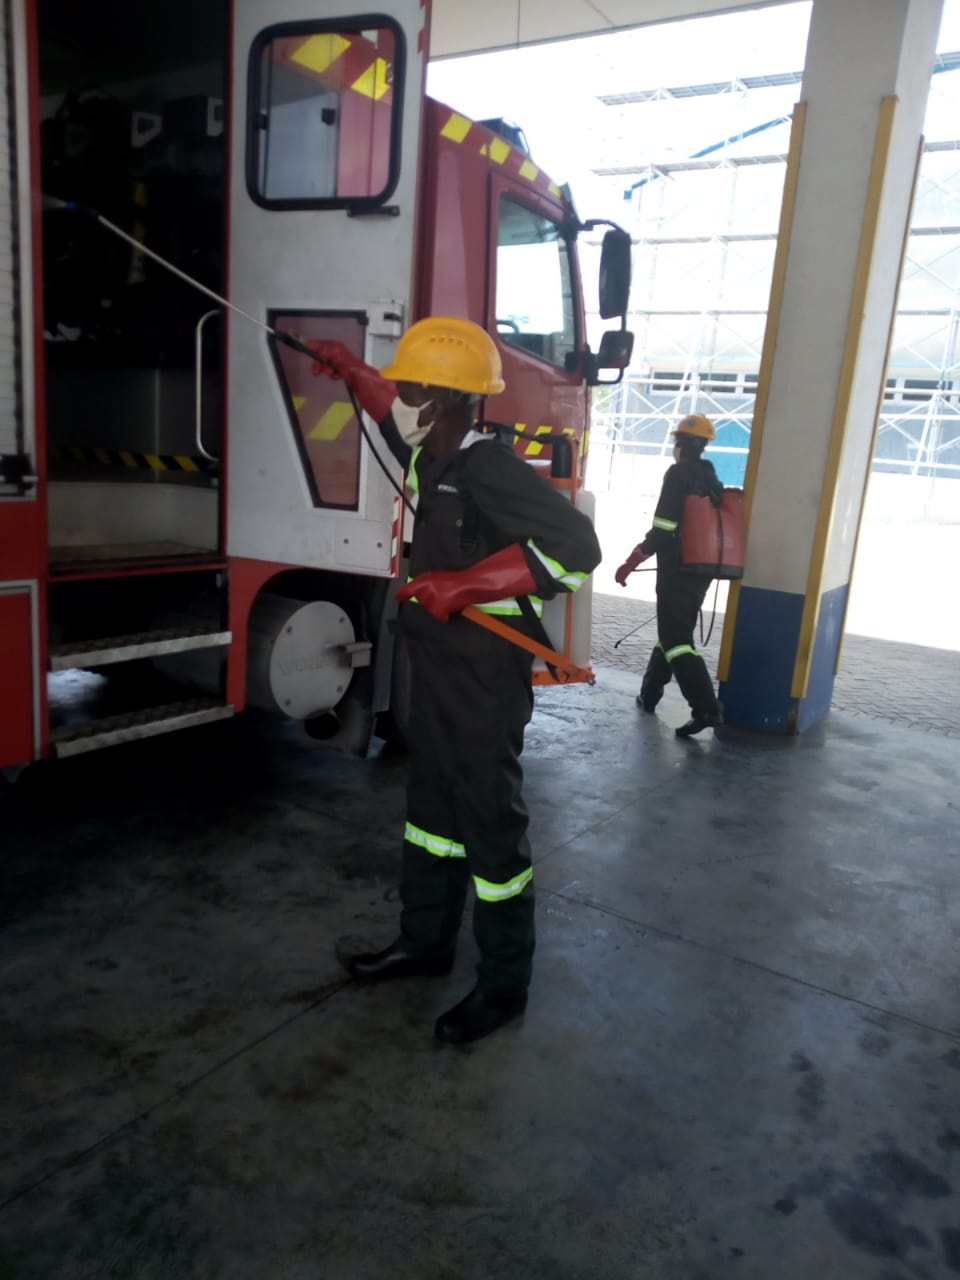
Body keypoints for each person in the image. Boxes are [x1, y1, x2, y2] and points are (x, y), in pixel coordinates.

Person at [308, 317, 602, 1043]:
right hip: (438, 672)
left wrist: (461, 586)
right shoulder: (430, 458)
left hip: (482, 678)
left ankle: (503, 984)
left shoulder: (486, 469)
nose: (402, 398)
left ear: (438, 401)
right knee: (431, 815)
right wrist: (351, 369)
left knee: (489, 825)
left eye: (411, 388)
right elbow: (387, 416)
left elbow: (576, 548)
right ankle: (425, 942)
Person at [614, 412, 723, 738]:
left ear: (681, 444)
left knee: (677, 642)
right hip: (701, 571)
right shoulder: (710, 477)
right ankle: (649, 695)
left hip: (677, 571)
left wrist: (633, 559)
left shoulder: (678, 474)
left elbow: (663, 528)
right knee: (673, 632)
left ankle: (706, 709)